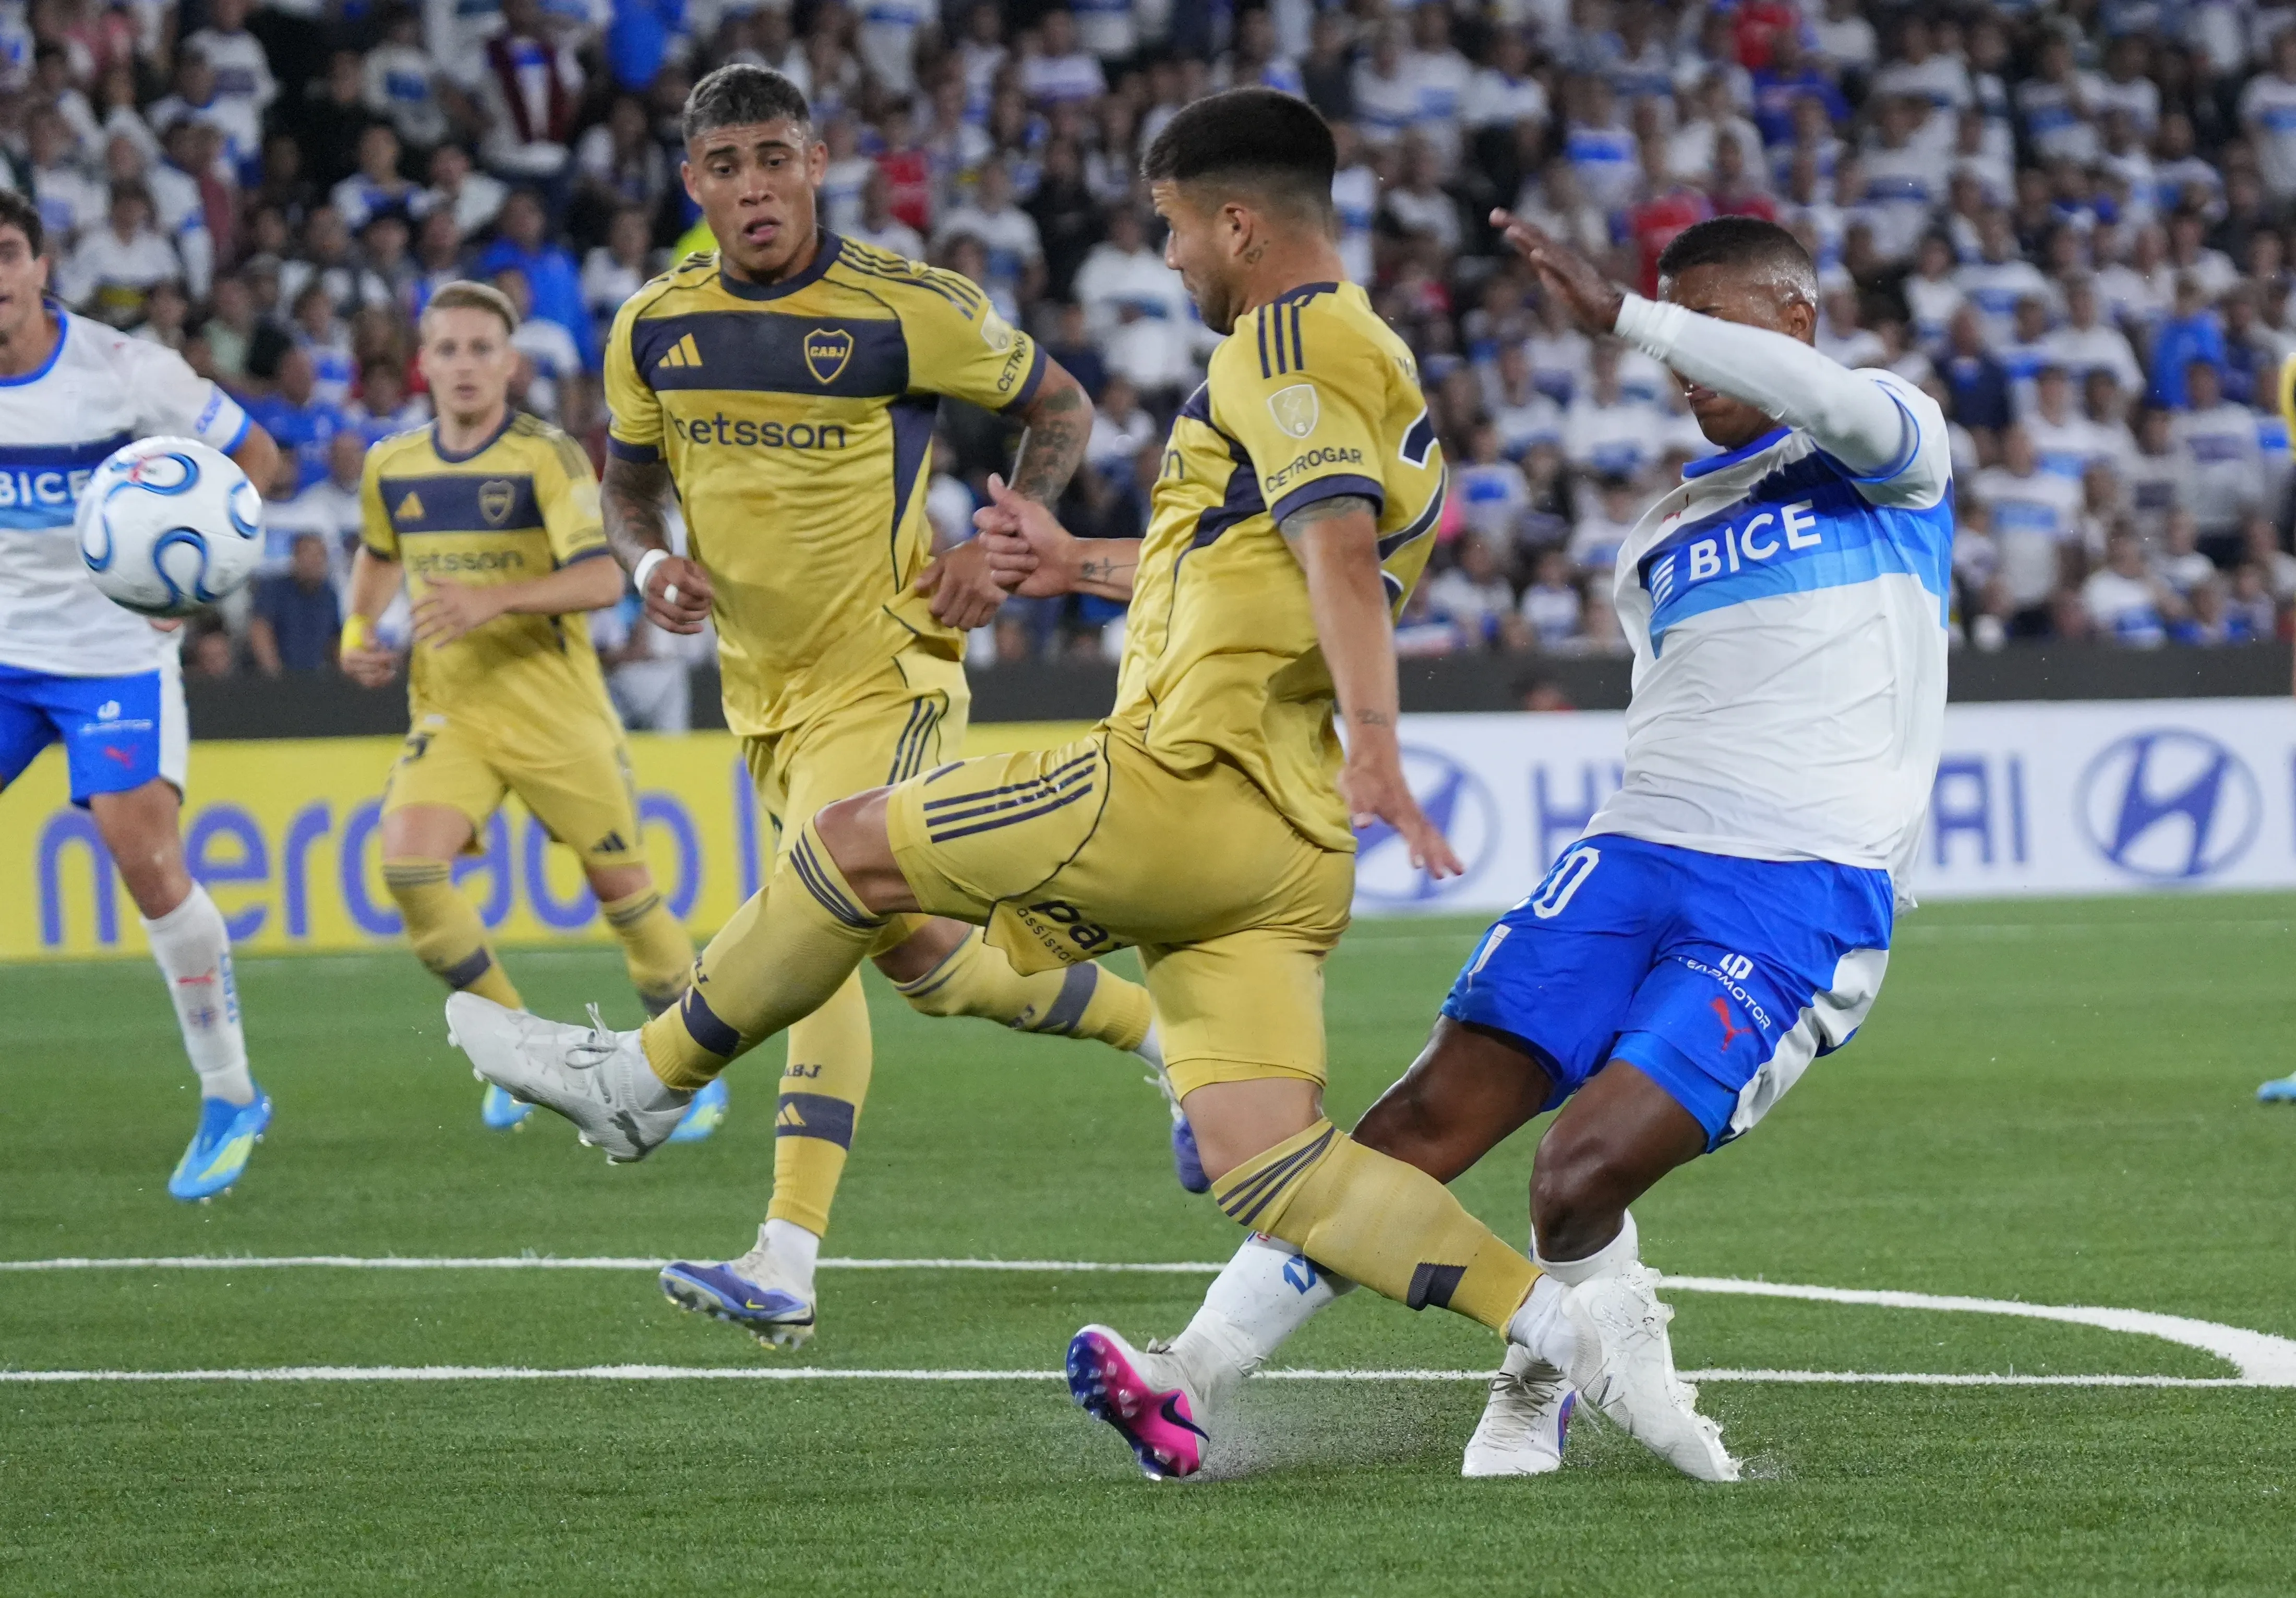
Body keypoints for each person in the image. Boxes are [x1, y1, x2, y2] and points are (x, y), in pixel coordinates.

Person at [447, 86, 1727, 1485]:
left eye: (1177, 228)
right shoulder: (1366, 357)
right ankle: (1572, 1333)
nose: (1171, 257)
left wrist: (1379, 738)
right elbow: (1257, 555)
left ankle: (641, 1080)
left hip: (1188, 783)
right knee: (1272, 1166)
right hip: (1283, 854)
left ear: (1239, 223)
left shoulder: (1289, 338)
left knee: (855, 851)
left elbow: (1340, 557)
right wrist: (1076, 565)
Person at [1088, 213, 1950, 1482]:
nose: (1690, 367)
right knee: (1419, 1115)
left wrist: (1628, 314)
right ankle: (1191, 1374)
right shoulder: (1658, 536)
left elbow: (1822, 400)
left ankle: (1548, 1365)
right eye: (1679, 345)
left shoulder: (1894, 449)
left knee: (1575, 1170)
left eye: (1717, 333)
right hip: (1630, 855)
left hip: (1797, 891)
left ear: (1796, 319)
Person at [518, 64, 1175, 1353]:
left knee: (821, 901)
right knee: (925, 964)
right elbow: (627, 480)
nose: (754, 186)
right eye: (727, 165)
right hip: (759, 694)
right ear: (693, 181)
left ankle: (783, 1249)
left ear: (816, 161)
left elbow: (1059, 405)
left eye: (776, 156)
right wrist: (649, 564)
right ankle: (1166, 1036)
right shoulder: (653, 324)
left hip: (891, 667)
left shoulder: (904, 307)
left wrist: (1000, 537)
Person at [339, 281, 709, 1138]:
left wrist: (490, 599)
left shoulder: (547, 456)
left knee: (624, 893)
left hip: (556, 713)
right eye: (449, 349)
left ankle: (689, 1067)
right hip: (452, 713)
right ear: (422, 362)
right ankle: (525, 1053)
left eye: (482, 349)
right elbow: (376, 556)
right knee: (408, 868)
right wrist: (356, 628)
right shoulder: (393, 465)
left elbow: (600, 577)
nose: (465, 365)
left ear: (509, 364)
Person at [0, 189, 285, 1201]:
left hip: (113, 653)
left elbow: (259, 459)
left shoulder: (125, 372)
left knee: (144, 859)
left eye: (8, 254)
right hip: (4, 652)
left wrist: (194, 599)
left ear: (42, 266)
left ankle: (230, 1092)